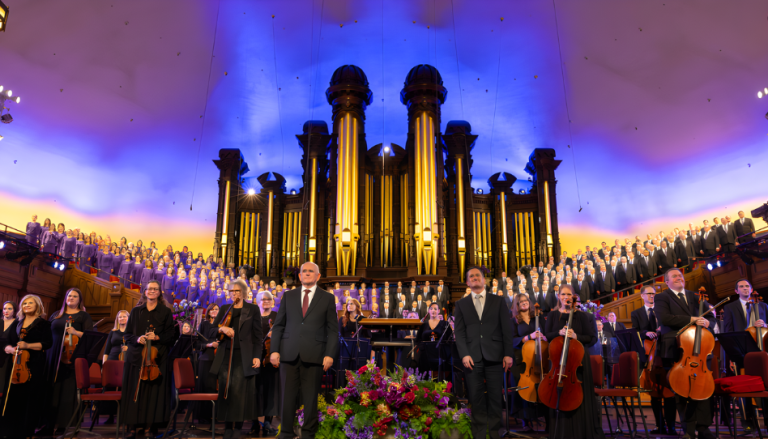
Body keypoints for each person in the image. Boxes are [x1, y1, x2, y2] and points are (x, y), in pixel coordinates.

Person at [270, 262, 338, 439]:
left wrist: (329, 354)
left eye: (311, 271)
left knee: (310, 398)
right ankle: (285, 432)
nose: (307, 274)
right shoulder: (288, 296)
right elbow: (278, 326)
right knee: (287, 396)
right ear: (299, 276)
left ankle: (308, 434)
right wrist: (274, 350)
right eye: (304, 271)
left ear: (318, 276)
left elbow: (332, 330)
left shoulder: (327, 298)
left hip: (315, 354)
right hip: (288, 353)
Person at [454, 266, 514, 439]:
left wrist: (508, 353)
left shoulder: (498, 301)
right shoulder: (461, 304)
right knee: (476, 398)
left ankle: (495, 434)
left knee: (496, 398)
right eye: (471, 276)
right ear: (467, 282)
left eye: (477, 275)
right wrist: (464, 354)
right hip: (471, 358)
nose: (474, 278)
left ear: (483, 279)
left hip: (495, 356)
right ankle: (479, 435)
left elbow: (506, 330)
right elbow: (460, 332)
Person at [655, 268, 716, 439]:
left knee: (703, 388)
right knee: (682, 389)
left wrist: (707, 323)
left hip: (699, 348)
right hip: (676, 346)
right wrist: (692, 320)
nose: (679, 277)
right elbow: (665, 319)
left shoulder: (697, 296)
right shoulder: (662, 297)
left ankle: (704, 428)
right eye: (674, 276)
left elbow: (712, 318)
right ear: (666, 281)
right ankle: (688, 429)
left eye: (680, 275)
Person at [542, 284, 604, 439]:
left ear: (573, 297)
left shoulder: (583, 316)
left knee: (579, 393)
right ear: (559, 296)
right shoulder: (552, 315)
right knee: (559, 394)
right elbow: (546, 335)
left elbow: (591, 338)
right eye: (563, 294)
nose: (566, 297)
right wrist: (558, 333)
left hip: (579, 363)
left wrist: (576, 337)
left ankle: (581, 431)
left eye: (569, 295)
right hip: (558, 361)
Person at [120, 280, 176, 438]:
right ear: (145, 292)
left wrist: (157, 336)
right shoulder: (136, 311)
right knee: (134, 392)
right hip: (136, 357)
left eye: (155, 289)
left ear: (159, 293)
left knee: (152, 394)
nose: (152, 291)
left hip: (156, 359)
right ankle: (132, 426)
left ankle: (148, 428)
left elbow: (171, 335)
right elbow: (127, 334)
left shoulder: (165, 312)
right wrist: (138, 339)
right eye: (149, 289)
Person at [210, 278, 262, 439]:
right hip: (226, 354)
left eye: (237, 291)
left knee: (240, 393)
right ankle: (227, 426)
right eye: (231, 291)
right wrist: (223, 328)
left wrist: (257, 356)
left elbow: (257, 336)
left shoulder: (252, 309)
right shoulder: (225, 308)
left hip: (244, 356)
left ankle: (238, 427)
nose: (234, 294)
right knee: (226, 390)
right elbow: (212, 330)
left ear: (244, 292)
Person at [0, 295, 53, 438]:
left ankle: (25, 431)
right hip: (15, 363)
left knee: (30, 398)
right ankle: (9, 431)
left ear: (38, 306)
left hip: (34, 364)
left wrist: (28, 345)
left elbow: (48, 343)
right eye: (25, 303)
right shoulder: (17, 322)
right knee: (12, 396)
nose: (27, 305)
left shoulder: (43, 324)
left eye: (30, 303)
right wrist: (9, 349)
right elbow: (7, 341)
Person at [43, 287, 94, 435]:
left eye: (75, 296)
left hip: (70, 357)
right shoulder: (56, 315)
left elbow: (90, 336)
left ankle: (63, 425)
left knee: (66, 391)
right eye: (69, 295)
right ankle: (48, 424)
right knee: (51, 390)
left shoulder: (83, 316)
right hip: (53, 355)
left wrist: (76, 332)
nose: (71, 298)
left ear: (80, 300)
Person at [722, 279, 767, 434]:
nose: (745, 288)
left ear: (751, 288)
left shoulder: (763, 306)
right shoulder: (729, 308)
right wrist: (731, 357)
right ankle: (748, 423)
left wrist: (766, 325)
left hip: (761, 354)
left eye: (747, 286)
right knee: (744, 390)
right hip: (741, 353)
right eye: (741, 286)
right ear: (736, 291)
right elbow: (727, 333)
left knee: (765, 387)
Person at [630, 286, 676, 434]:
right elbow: (635, 331)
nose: (652, 296)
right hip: (650, 356)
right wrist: (645, 333)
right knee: (654, 393)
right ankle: (659, 425)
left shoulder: (663, 311)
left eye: (654, 293)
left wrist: (663, 329)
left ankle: (672, 426)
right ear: (642, 296)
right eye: (649, 293)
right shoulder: (636, 313)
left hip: (666, 355)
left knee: (669, 392)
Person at [510, 293, 548, 433]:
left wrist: (544, 337)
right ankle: (525, 420)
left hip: (539, 357)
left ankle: (547, 418)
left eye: (526, 300)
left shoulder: (537, 317)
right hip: (522, 360)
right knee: (523, 386)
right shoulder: (514, 321)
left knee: (543, 384)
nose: (524, 303)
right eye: (521, 302)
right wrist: (527, 337)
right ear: (517, 305)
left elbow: (547, 333)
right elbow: (512, 340)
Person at [254, 292, 279, 437]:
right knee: (255, 391)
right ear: (257, 301)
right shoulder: (254, 316)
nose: (266, 301)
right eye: (263, 299)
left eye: (269, 299)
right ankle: (254, 423)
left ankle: (268, 423)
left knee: (270, 392)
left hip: (271, 360)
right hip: (256, 358)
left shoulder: (277, 316)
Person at [98, 310, 129, 425]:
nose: (122, 318)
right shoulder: (113, 332)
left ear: (128, 318)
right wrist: (104, 366)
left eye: (124, 317)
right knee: (110, 387)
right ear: (117, 319)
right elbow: (106, 350)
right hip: (112, 359)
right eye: (120, 317)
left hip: (125, 360)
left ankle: (123, 415)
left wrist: (129, 349)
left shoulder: (131, 332)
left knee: (123, 387)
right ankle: (110, 416)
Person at [195, 304, 219, 425]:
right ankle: (204, 416)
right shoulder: (203, 324)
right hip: (206, 359)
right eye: (212, 309)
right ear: (208, 312)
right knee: (206, 387)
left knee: (215, 388)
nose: (214, 311)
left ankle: (215, 415)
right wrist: (209, 345)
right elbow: (197, 344)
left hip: (218, 359)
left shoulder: (222, 325)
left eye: (217, 309)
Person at [415, 302, 452, 375]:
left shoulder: (445, 324)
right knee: (423, 377)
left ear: (438, 311)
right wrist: (423, 348)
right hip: (425, 354)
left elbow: (449, 339)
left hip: (439, 355)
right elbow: (418, 339)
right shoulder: (424, 324)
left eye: (435, 309)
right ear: (428, 311)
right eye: (431, 309)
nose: (433, 310)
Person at [0, 301, 19, 399]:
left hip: (7, 356)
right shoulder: (0, 321)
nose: (6, 311)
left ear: (14, 311)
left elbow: (16, 340)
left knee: (2, 382)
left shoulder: (17, 323)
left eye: (9, 308)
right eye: (4, 308)